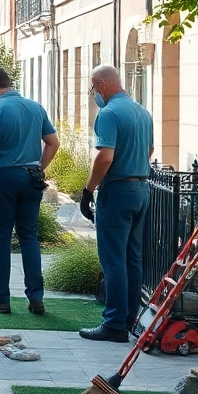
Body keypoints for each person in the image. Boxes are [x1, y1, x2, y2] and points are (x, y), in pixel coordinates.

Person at [0, 67, 59, 316]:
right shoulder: (35, 107)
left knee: (1, 238)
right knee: (29, 236)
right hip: (31, 178)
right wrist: (38, 168)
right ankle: (36, 298)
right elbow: (53, 143)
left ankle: (0, 298)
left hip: (5, 177)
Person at [78, 65, 154, 342]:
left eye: (92, 88)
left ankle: (113, 324)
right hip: (141, 188)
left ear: (101, 84)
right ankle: (128, 318)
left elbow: (105, 157)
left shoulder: (108, 113)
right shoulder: (142, 112)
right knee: (132, 258)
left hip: (118, 190)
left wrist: (88, 190)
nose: (93, 93)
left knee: (112, 259)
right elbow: (150, 151)